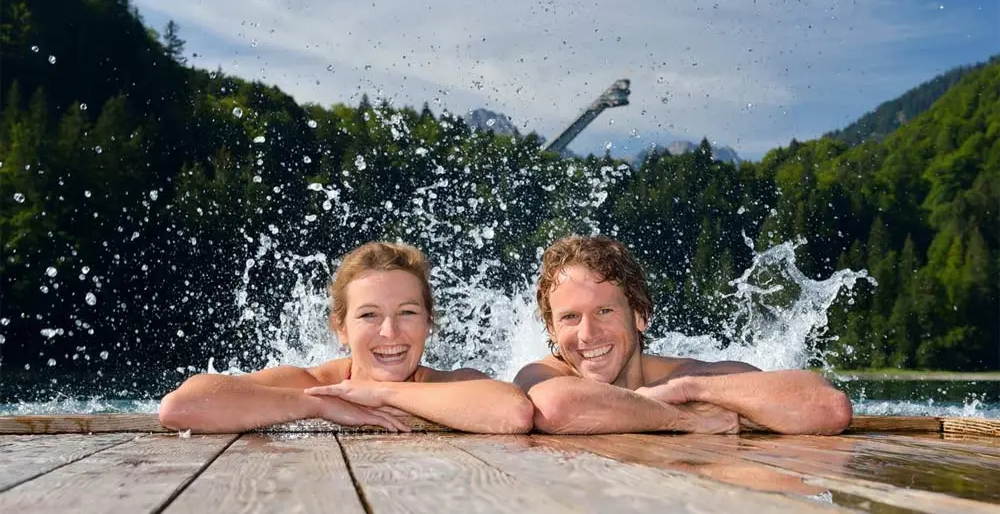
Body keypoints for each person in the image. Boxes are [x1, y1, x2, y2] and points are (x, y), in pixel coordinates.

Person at [159, 242, 534, 434]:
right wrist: (321, 406)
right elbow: (180, 408)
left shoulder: (446, 385)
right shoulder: (314, 385)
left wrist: (383, 393)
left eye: (407, 312)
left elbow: (514, 412)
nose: (390, 332)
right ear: (341, 328)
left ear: (428, 322)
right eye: (369, 315)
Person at [514, 235, 853, 435]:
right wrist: (684, 418)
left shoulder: (683, 378)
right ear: (552, 330)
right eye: (570, 317)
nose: (587, 334)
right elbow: (555, 407)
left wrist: (689, 388)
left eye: (605, 311)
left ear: (640, 315)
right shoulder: (542, 375)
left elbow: (829, 407)